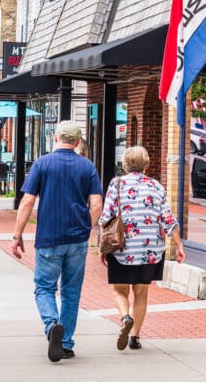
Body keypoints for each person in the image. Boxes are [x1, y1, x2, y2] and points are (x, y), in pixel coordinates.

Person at [12, 121, 103, 363]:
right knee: (71, 293)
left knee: (44, 287)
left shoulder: (42, 164)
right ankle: (66, 342)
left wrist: (17, 234)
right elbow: (96, 204)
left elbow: (27, 202)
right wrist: (86, 227)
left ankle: (52, 324)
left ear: (55, 138)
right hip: (77, 238)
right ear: (77, 141)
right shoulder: (88, 167)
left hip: (49, 237)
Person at [98, 146, 184, 352]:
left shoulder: (116, 184)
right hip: (150, 249)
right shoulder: (156, 186)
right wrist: (179, 245)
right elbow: (168, 219)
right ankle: (135, 336)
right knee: (141, 292)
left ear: (125, 164)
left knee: (119, 290)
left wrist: (102, 247)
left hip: (122, 248)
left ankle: (125, 317)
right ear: (146, 165)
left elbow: (106, 217)